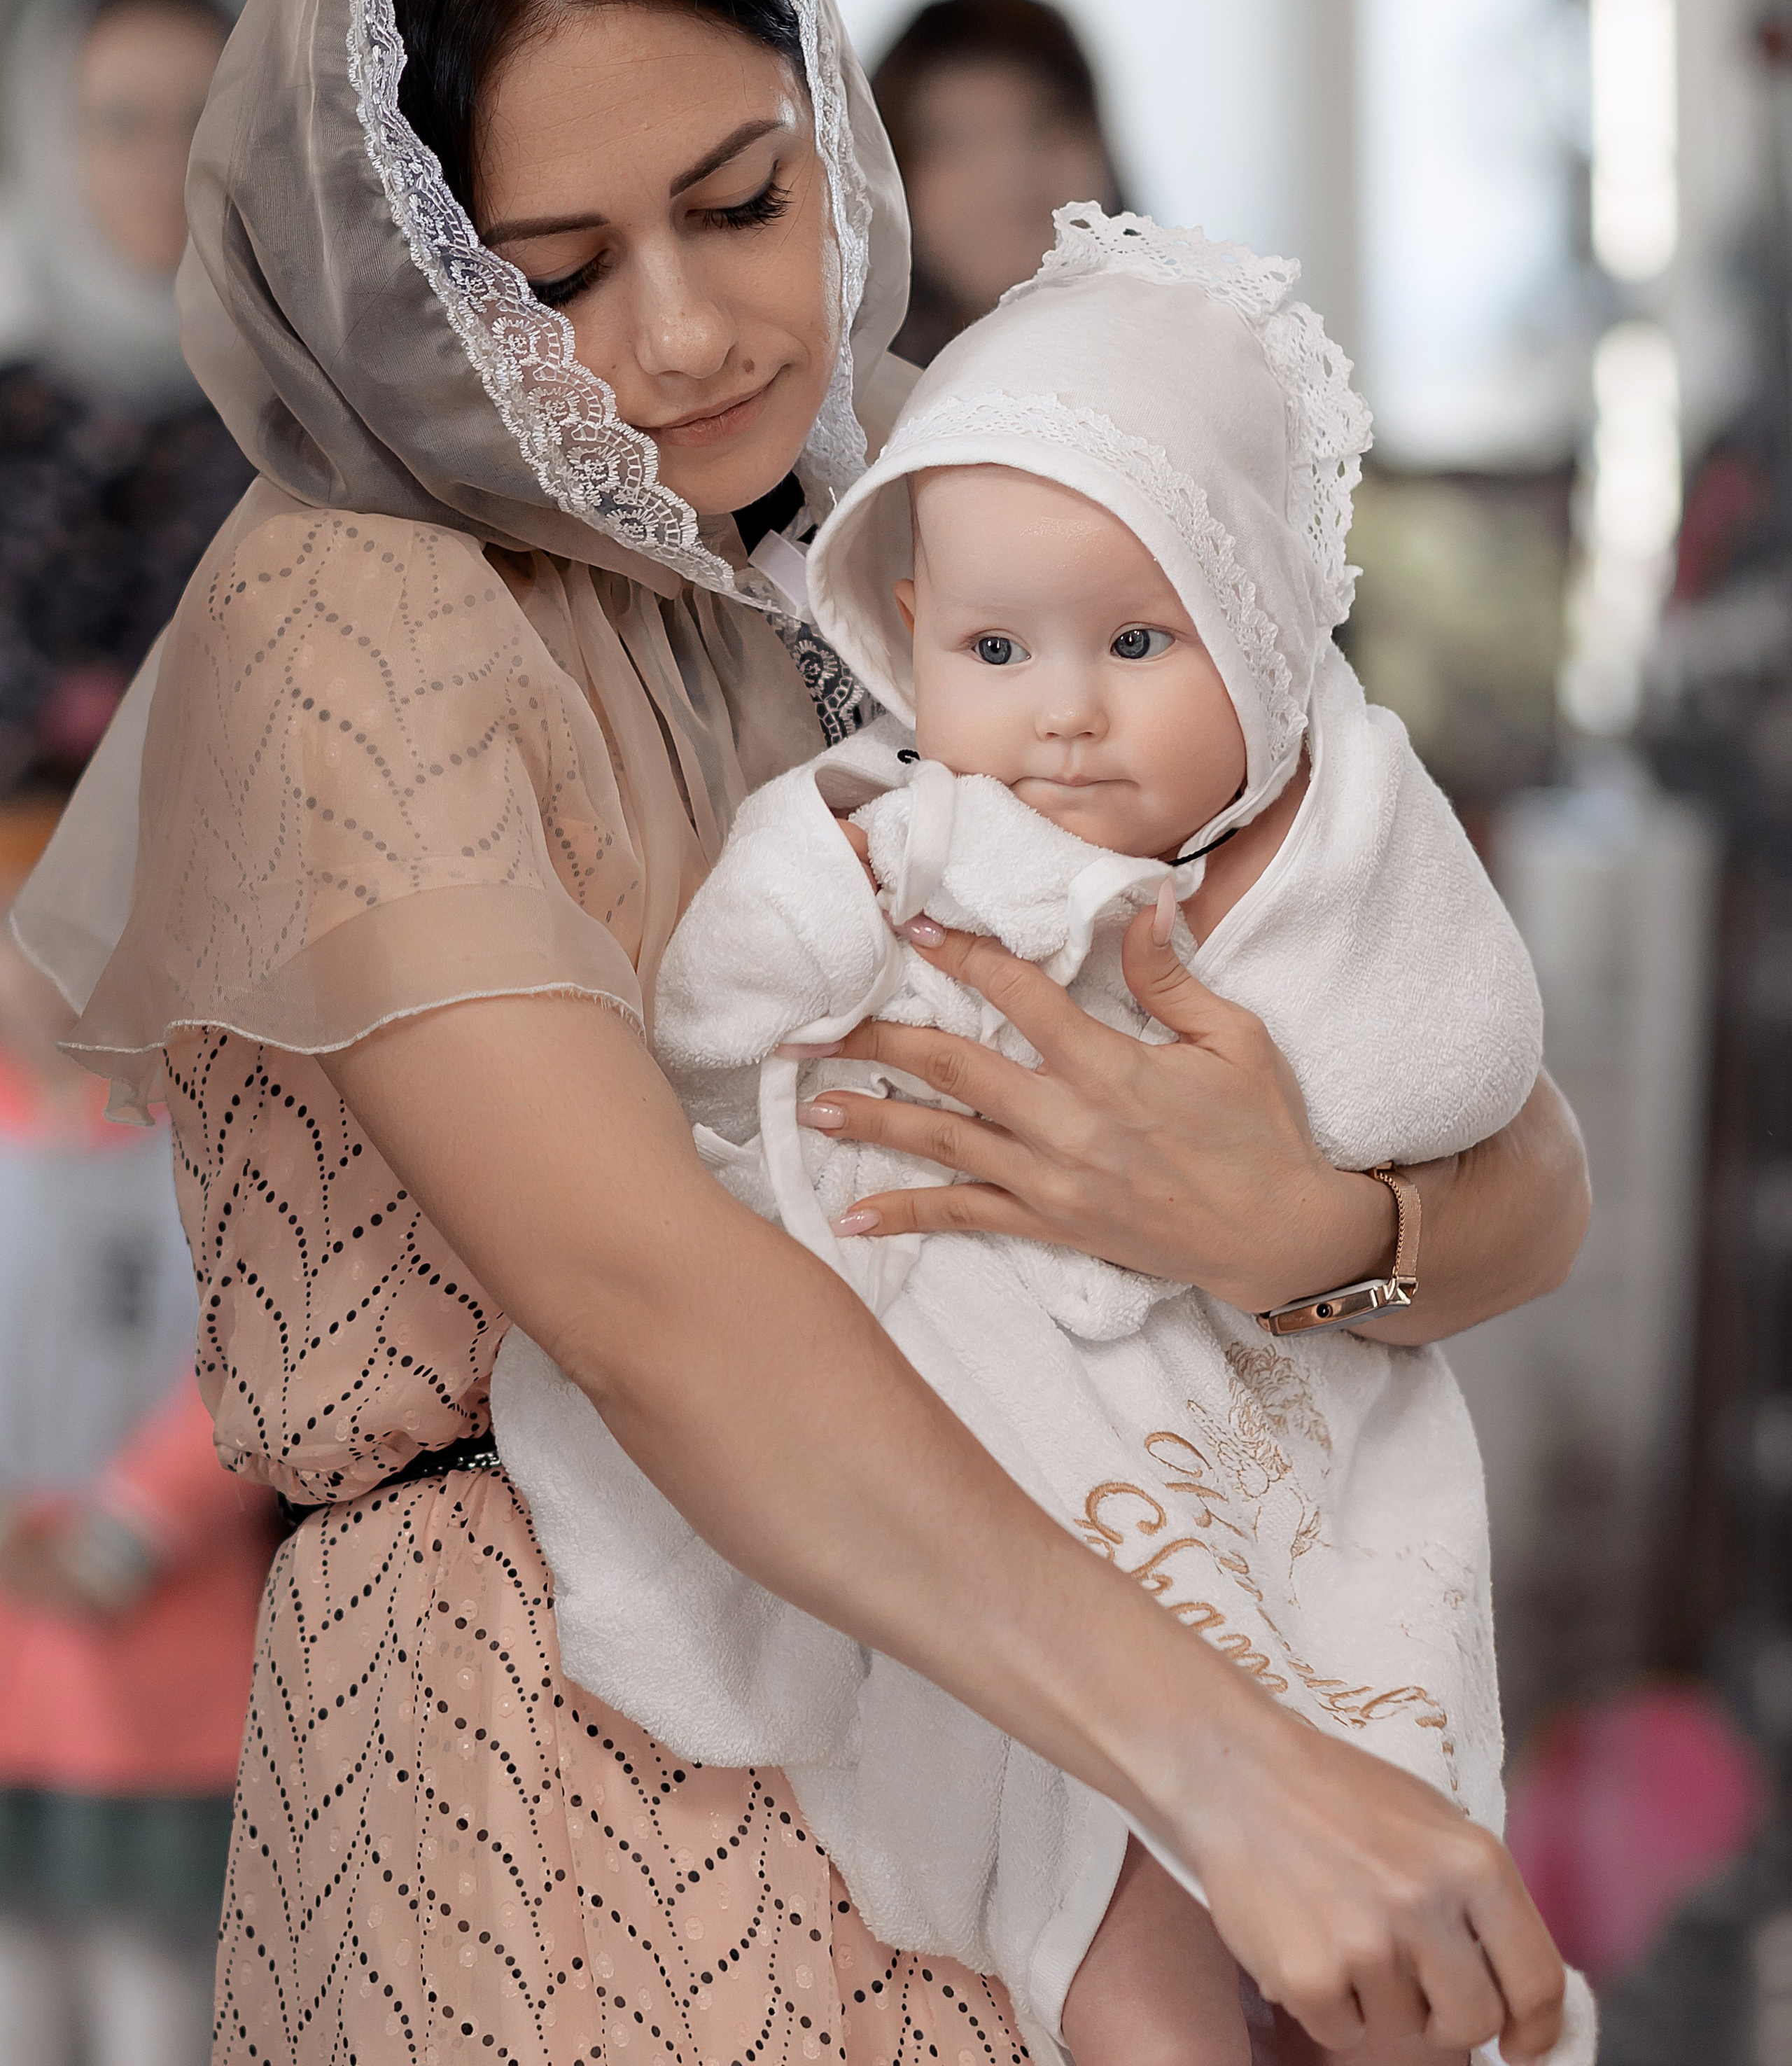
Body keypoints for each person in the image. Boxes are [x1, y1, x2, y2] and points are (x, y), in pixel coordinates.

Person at [13, 0, 1588, 2066]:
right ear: (411, 259)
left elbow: (1499, 1112)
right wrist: (1236, 1770)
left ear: (823, 118)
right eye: (553, 277)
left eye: (743, 202)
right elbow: (645, 1294)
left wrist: (1308, 1216)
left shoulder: (963, 501)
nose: (684, 335)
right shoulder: (351, 615)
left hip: (1033, 1745)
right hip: (563, 1779)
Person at [496, 204, 1591, 2066]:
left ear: (1252, 634)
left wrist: (1306, 1192)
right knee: (1105, 1913)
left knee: (1370, 1824)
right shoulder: (900, 823)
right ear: (912, 633)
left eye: (1141, 644)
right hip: (980, 1429)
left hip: (1261, 1411)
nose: (1063, 714)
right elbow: (725, 1007)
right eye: (998, 648)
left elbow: (1468, 1065)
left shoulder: (1317, 838)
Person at [0, 814, 274, 2066]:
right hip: (13, 1611)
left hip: (162, 1628)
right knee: (18, 1965)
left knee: (151, 1971)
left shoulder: (209, 1143)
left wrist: (128, 1521)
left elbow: (249, 1360)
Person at [0, 0, 261, 793]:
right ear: (52, 138)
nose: (163, 161)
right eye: (119, 123)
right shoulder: (14, 389)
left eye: (199, 117)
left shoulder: (310, 399)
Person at [875, 0, 1124, 366]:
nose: (1005, 178)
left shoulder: (1205, 364)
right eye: (956, 141)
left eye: (1043, 130)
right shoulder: (854, 407)